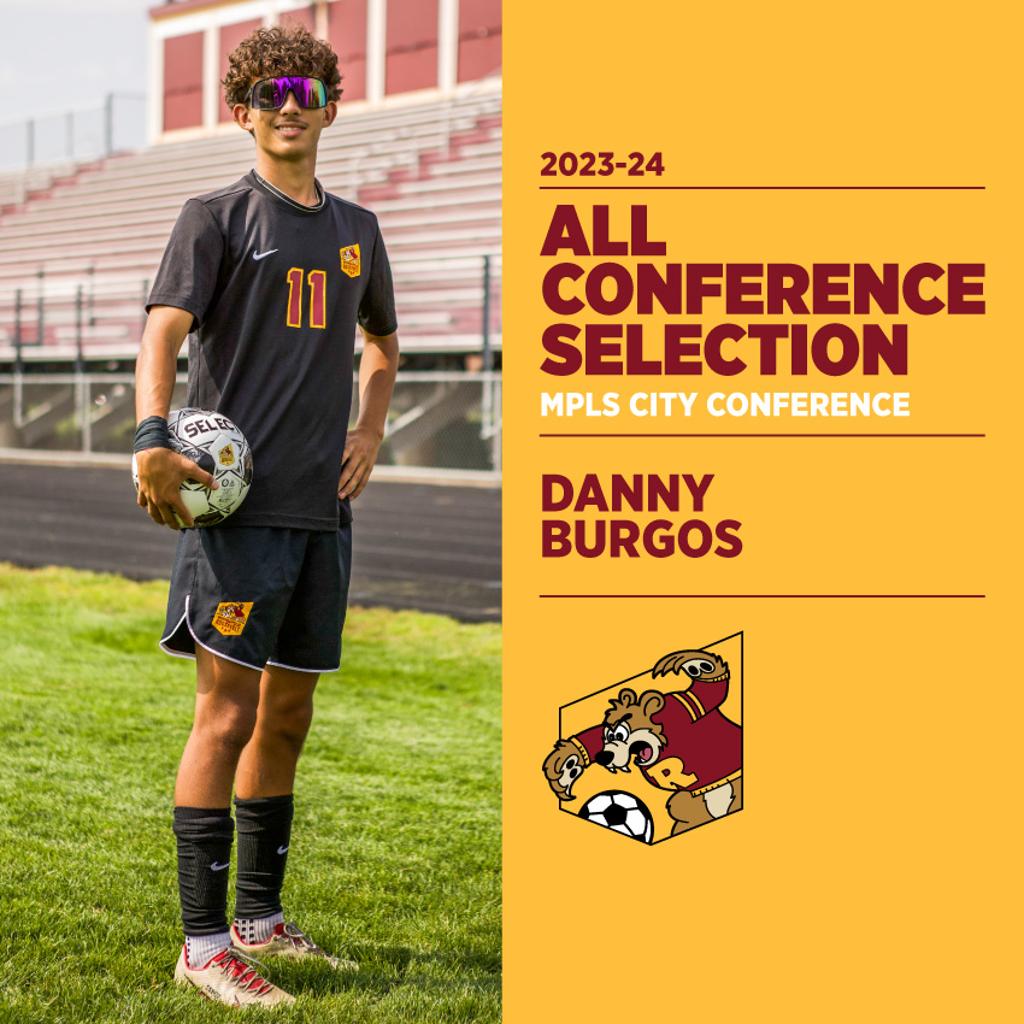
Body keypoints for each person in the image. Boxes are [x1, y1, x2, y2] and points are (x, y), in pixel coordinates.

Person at [133, 24, 399, 1007]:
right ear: (240, 111)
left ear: (331, 105)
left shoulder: (357, 231)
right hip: (238, 515)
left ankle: (259, 920)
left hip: (321, 514)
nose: (289, 102)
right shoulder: (214, 217)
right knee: (226, 714)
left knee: (287, 717)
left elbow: (383, 343)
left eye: (307, 87)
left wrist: (369, 428)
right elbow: (160, 330)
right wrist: (152, 433)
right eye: (268, 91)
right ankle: (203, 946)